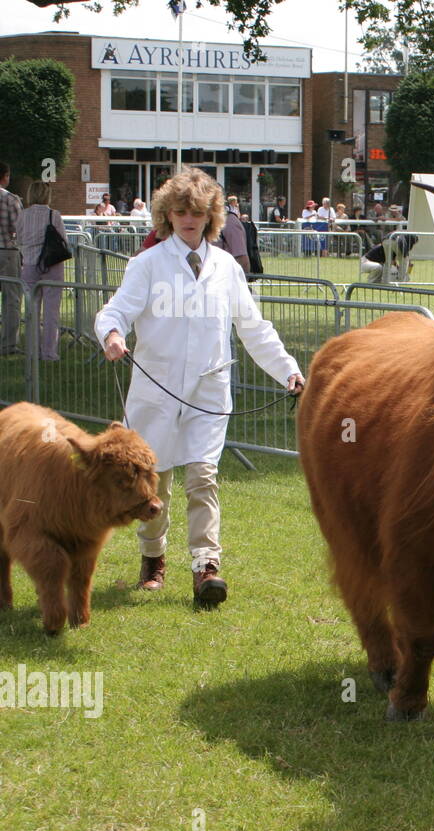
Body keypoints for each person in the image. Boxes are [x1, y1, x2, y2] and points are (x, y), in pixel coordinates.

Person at [95, 167, 305, 605]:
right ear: (167, 215)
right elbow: (115, 311)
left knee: (203, 478)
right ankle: (153, 558)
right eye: (180, 211)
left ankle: (205, 567)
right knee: (157, 485)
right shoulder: (148, 264)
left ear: (210, 216)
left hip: (208, 392)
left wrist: (288, 370)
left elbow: (253, 327)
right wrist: (112, 335)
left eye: (196, 211)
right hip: (156, 392)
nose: (188, 219)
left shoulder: (226, 267)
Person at [16, 181, 67, 361]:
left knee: (32, 309)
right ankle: (49, 352)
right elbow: (63, 240)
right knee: (52, 311)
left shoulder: (23, 215)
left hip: (29, 264)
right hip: (52, 264)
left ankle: (33, 350)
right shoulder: (54, 215)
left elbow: (19, 238)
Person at [0, 162, 22, 356]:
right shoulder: (10, 199)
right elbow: (18, 228)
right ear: (5, 176)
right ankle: (8, 344)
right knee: (11, 300)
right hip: (7, 251)